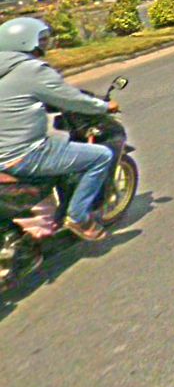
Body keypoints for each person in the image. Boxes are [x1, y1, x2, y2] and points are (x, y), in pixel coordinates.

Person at [0, 17, 119, 241]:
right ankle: (78, 217)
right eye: (41, 40)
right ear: (25, 42)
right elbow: (72, 99)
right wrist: (104, 106)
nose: (45, 44)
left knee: (59, 144)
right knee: (101, 156)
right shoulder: (31, 70)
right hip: (23, 155)